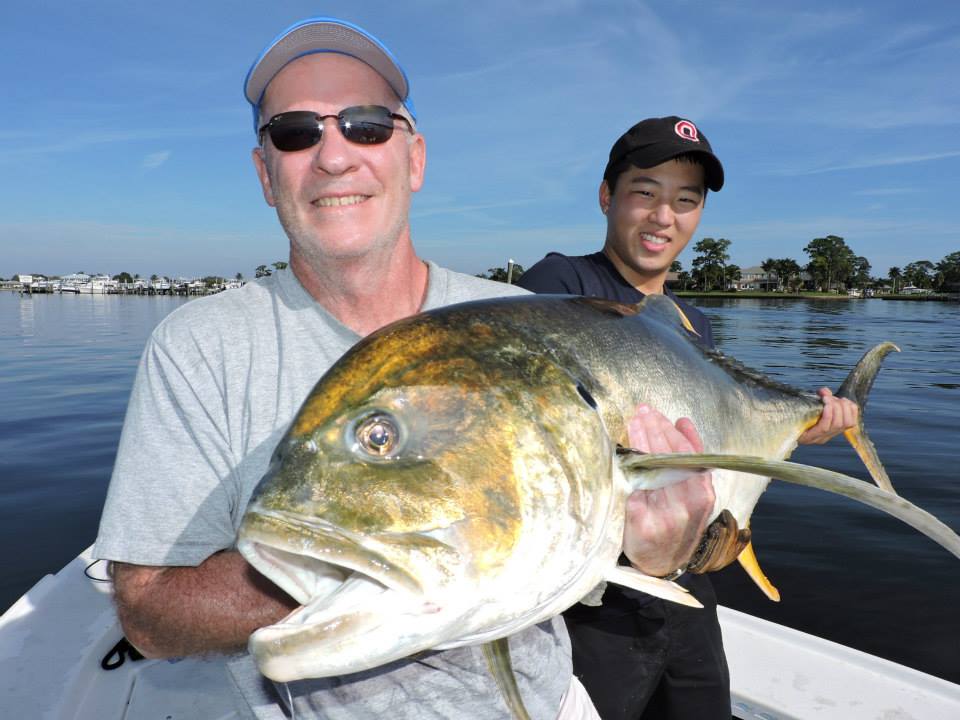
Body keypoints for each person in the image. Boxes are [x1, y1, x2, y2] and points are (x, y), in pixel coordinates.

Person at [90, 17, 713, 720]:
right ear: (266, 173)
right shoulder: (199, 348)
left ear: (414, 158)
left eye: (366, 126)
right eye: (295, 133)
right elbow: (148, 614)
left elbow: (595, 539)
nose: (333, 157)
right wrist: (388, 555)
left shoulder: (523, 320)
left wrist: (658, 551)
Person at [518, 116, 859, 720]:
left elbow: (720, 432)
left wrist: (807, 425)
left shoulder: (689, 323)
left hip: (686, 586)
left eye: (685, 200)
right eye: (644, 192)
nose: (663, 217)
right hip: (595, 601)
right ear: (607, 195)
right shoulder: (560, 283)